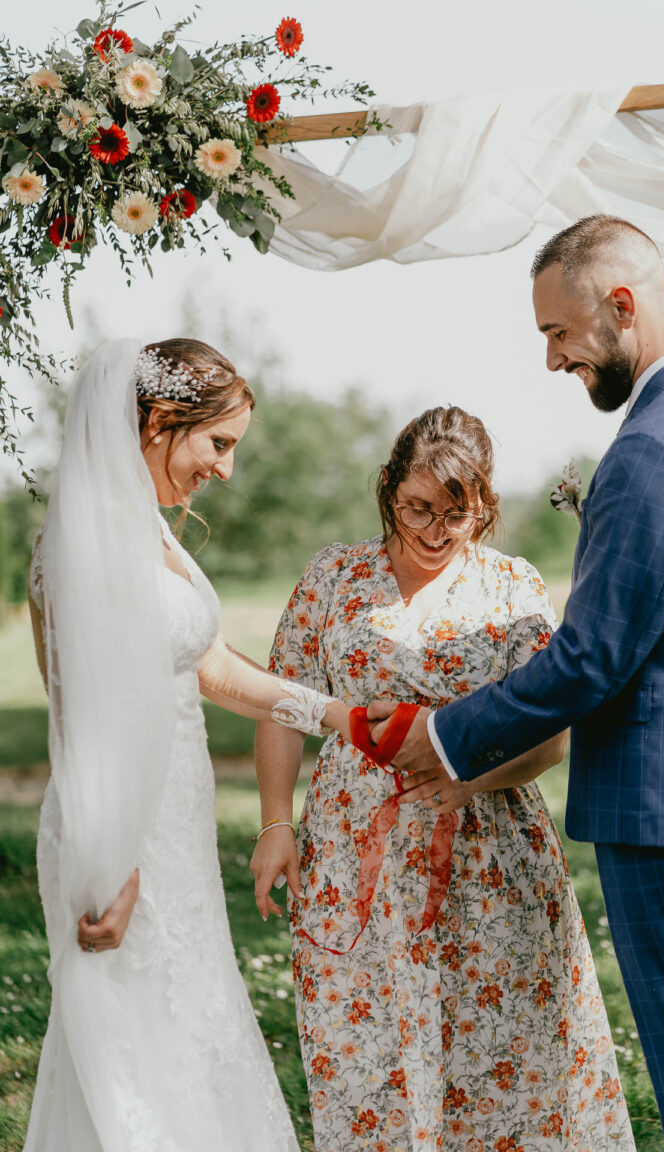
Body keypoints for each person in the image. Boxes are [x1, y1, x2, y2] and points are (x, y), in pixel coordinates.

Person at [374, 217, 664, 1152]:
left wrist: (448, 734)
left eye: (559, 333)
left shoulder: (652, 450)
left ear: (621, 306)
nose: (551, 358)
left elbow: (593, 657)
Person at [250, 406, 636, 1152]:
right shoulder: (335, 575)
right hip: (349, 852)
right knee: (365, 1054)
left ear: (483, 505)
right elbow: (282, 702)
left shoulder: (513, 588)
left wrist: (467, 779)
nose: (432, 530)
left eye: (454, 514)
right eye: (416, 508)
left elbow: (552, 732)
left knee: (496, 1058)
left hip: (486, 856)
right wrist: (274, 823)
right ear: (388, 490)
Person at [24, 338, 356, 1152]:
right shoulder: (87, 539)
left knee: (189, 1030)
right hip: (123, 832)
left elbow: (206, 665)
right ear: (161, 421)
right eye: (219, 444)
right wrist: (117, 862)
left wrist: (342, 717)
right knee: (136, 1054)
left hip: (173, 830)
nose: (226, 470)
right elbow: (88, 716)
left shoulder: (150, 534)